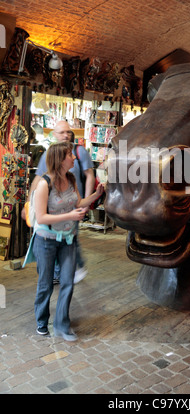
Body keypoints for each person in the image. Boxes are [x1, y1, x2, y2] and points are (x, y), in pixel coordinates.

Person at [32, 141, 103, 341]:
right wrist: (70, 216)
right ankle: (41, 321)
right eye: (69, 155)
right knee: (45, 283)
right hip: (46, 241)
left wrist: (95, 195)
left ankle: (62, 325)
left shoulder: (71, 179)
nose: (73, 158)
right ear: (60, 160)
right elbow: (42, 218)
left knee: (67, 282)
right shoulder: (44, 184)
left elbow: (78, 202)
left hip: (68, 240)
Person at [23, 120, 95, 283]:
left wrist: (88, 201)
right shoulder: (50, 153)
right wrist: (29, 202)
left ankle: (67, 271)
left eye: (68, 132)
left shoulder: (79, 151)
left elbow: (90, 175)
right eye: (62, 132)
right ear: (54, 135)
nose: (66, 135)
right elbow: (39, 178)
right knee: (62, 238)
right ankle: (62, 272)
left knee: (69, 237)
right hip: (54, 205)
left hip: (74, 203)